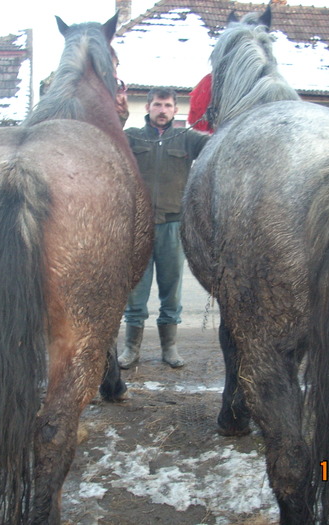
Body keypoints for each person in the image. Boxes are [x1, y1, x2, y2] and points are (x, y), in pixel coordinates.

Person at [118, 87, 210, 369]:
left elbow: (220, 146)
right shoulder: (131, 136)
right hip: (139, 226)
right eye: (157, 104)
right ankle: (131, 349)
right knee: (136, 292)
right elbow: (106, 141)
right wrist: (118, 116)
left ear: (174, 110)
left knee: (172, 292)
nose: (162, 110)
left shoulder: (188, 139)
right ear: (148, 107)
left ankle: (169, 348)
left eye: (168, 105)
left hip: (173, 225)